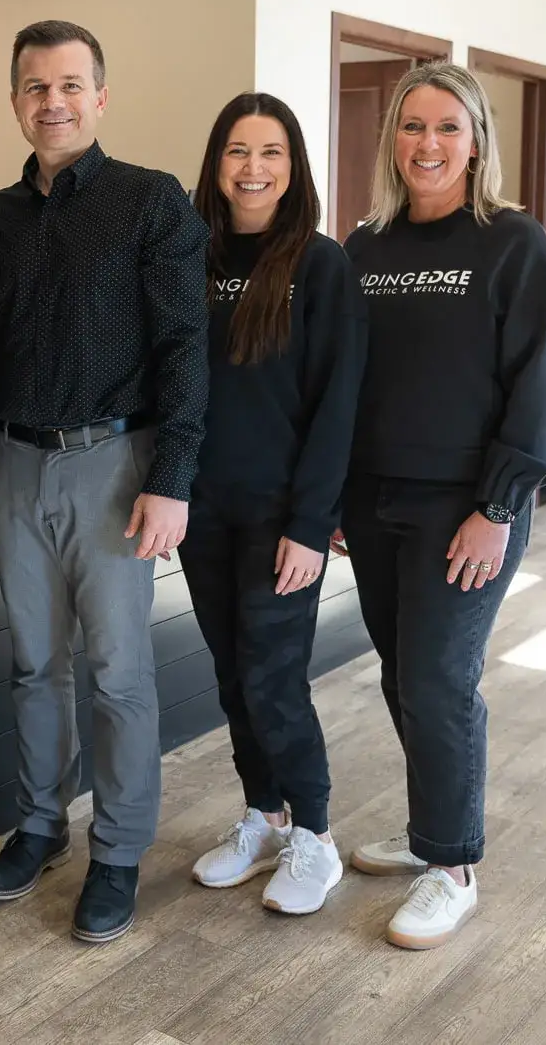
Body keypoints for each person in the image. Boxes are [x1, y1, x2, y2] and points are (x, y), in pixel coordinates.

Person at [0, 20, 209, 945]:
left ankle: (119, 849)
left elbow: (186, 346)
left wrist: (172, 477)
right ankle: (36, 826)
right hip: (13, 463)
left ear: (100, 97)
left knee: (118, 671)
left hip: (115, 463)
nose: (51, 101)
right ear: (15, 100)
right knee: (32, 664)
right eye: (34, 86)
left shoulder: (152, 203)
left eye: (69, 85)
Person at [336, 61, 546, 949]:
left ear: (477, 140)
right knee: (405, 675)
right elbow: (342, 382)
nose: (428, 144)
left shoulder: (514, 244)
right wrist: (332, 493)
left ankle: (454, 865)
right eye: (411, 127)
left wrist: (500, 505)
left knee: (439, 679)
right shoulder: (366, 247)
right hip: (372, 502)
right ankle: (428, 828)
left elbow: (543, 387)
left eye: (447, 127)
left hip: (466, 508)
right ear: (390, 141)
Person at [182, 93, 364, 914]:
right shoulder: (190, 257)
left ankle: (316, 837)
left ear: (294, 169)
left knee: (273, 679)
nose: (253, 168)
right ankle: (262, 815)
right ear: (216, 165)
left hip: (279, 516)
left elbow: (337, 406)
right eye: (237, 152)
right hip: (203, 511)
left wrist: (309, 524)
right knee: (231, 675)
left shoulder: (320, 266)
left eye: (271, 153)